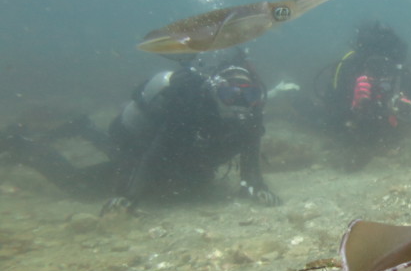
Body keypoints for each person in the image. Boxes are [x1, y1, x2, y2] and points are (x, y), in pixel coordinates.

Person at [0, 52, 280, 213]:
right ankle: (20, 146)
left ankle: (86, 128)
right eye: (230, 93)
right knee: (79, 187)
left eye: (250, 94)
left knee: (190, 184)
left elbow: (250, 157)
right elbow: (151, 152)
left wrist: (256, 186)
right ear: (216, 90)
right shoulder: (187, 110)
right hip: (148, 153)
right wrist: (127, 194)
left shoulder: (249, 118)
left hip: (181, 165)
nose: (240, 103)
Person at [320, 21, 411, 168]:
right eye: (374, 68)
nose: (380, 72)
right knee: (318, 122)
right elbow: (333, 119)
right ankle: (289, 91)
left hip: (381, 126)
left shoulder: (399, 73)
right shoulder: (348, 68)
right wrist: (357, 107)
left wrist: (406, 110)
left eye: (385, 67)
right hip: (352, 122)